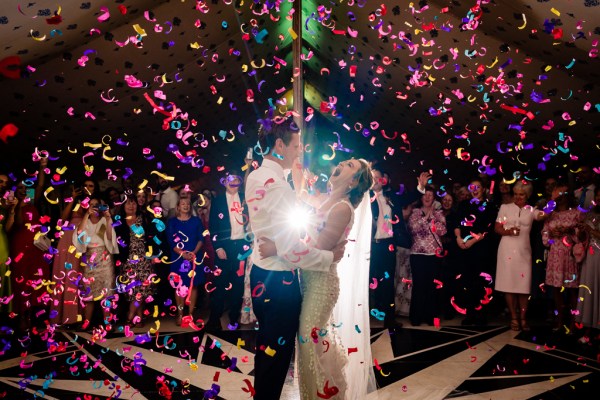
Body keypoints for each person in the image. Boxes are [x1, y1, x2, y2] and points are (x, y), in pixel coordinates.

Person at [246, 116, 346, 400]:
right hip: (279, 284)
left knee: (268, 352)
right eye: (296, 145)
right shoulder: (278, 187)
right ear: (279, 145)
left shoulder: (257, 175)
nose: (299, 151)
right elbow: (292, 251)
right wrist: (329, 257)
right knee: (275, 359)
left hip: (261, 274)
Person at [259, 156, 376, 399]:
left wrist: (277, 249)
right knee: (309, 346)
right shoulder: (325, 200)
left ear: (354, 181)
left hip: (322, 287)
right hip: (309, 281)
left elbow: (315, 252)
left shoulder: (342, 208)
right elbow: (300, 192)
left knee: (308, 344)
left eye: (350, 166)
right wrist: (298, 155)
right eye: (345, 161)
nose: (343, 164)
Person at [369, 168, 429, 328]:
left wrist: (420, 187)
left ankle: (389, 319)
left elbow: (409, 198)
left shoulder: (392, 197)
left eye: (378, 177)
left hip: (387, 245)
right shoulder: (362, 198)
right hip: (369, 247)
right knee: (367, 281)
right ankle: (363, 317)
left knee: (388, 283)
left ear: (384, 180)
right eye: (372, 177)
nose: (375, 180)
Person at [494, 181, 546, 331]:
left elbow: (543, 216)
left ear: (527, 195)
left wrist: (553, 200)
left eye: (521, 194)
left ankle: (523, 318)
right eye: (516, 194)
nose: (518, 197)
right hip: (506, 249)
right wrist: (509, 231)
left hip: (524, 251)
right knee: (508, 285)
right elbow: (497, 228)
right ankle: (514, 318)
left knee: (523, 287)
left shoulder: (531, 210)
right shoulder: (505, 208)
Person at [50, 178, 99, 326]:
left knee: (82, 275)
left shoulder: (95, 203)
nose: (87, 188)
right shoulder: (75, 201)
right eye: (85, 185)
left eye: (91, 185)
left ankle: (80, 317)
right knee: (67, 274)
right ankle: (64, 317)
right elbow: (63, 218)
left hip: (86, 239)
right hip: (69, 238)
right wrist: (73, 198)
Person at [207, 172, 248, 331]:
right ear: (225, 183)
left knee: (238, 284)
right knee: (220, 283)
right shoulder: (217, 201)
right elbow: (213, 226)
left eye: (237, 179)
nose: (234, 182)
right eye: (231, 180)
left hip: (242, 246)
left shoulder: (245, 198)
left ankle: (233, 318)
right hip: (224, 247)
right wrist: (218, 247)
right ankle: (214, 319)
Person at [454, 178, 497, 325]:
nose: (475, 189)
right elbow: (456, 223)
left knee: (482, 281)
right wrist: (459, 238)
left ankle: (481, 314)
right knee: (467, 280)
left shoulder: (490, 206)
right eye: (472, 186)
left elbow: (488, 229)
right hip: (465, 249)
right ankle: (470, 313)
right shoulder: (463, 205)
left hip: (481, 249)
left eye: (478, 187)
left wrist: (472, 241)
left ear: (484, 189)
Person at [72, 196, 119, 330]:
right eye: (91, 205)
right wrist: (86, 215)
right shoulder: (84, 222)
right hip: (89, 260)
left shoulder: (105, 220)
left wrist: (109, 218)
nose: (94, 207)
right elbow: (79, 236)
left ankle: (107, 323)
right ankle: (86, 322)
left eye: (96, 204)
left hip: (104, 258)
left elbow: (110, 238)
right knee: (89, 292)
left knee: (107, 293)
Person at [542, 183, 583, 331]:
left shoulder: (576, 213)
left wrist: (570, 231)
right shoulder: (550, 214)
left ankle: (573, 322)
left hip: (570, 254)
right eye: (558, 194)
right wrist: (553, 235)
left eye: (564, 194)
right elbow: (545, 236)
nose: (561, 197)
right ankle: (559, 321)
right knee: (557, 290)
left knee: (572, 290)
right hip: (555, 254)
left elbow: (582, 236)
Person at [407, 187, 447, 326]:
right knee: (419, 285)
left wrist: (433, 219)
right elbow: (413, 229)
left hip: (434, 254)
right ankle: (416, 317)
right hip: (418, 253)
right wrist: (426, 218)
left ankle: (431, 316)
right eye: (425, 195)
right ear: (421, 197)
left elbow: (443, 231)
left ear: (434, 198)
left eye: (431, 195)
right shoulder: (415, 212)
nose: (428, 197)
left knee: (432, 286)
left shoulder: (439, 213)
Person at [114, 197, 156, 328]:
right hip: (127, 260)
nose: (131, 205)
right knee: (132, 290)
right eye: (128, 203)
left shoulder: (144, 218)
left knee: (142, 290)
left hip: (143, 259)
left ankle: (130, 316)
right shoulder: (119, 222)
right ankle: (139, 316)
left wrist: (152, 255)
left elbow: (151, 238)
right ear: (123, 205)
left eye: (133, 202)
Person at [166, 197, 204, 325]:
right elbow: (171, 241)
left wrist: (193, 253)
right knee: (179, 286)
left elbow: (201, 239)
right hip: (178, 258)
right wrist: (182, 253)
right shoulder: (172, 222)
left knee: (193, 286)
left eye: (188, 204)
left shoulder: (196, 221)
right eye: (183, 204)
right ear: (178, 207)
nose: (186, 206)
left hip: (194, 256)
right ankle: (180, 314)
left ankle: (190, 315)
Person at [576, 187, 600, 333]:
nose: (598, 198)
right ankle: (588, 331)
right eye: (597, 195)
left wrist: (590, 230)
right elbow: (584, 239)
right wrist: (582, 231)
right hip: (590, 257)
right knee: (590, 290)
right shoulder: (590, 214)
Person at [0, 172, 13, 315]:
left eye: (5, 183)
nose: (3, 185)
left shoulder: (6, 201)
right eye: (0, 182)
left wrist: (12, 209)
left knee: (3, 272)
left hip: (1, 239)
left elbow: (9, 228)